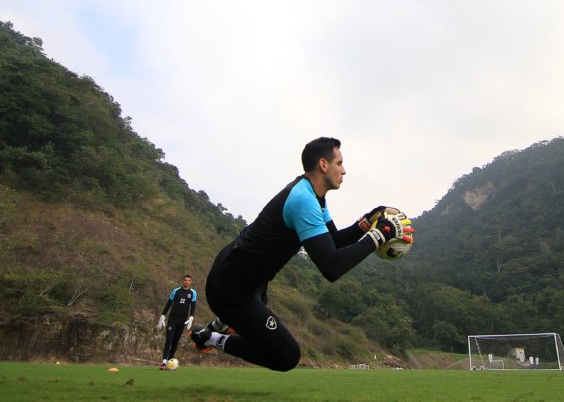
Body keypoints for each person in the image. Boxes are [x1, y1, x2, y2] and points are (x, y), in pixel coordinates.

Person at [190, 137, 413, 371]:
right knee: (285, 357)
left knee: (262, 336)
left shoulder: (314, 196)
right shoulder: (304, 200)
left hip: (246, 279)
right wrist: (379, 234)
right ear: (323, 165)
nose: (344, 170)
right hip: (231, 290)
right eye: (340, 163)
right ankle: (210, 338)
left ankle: (221, 323)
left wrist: (368, 221)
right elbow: (332, 267)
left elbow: (334, 242)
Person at [156, 274, 197, 370]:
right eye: (185, 280)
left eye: (188, 280)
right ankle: (164, 362)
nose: (187, 282)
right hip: (172, 319)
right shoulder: (176, 291)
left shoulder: (193, 293)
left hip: (182, 321)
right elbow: (168, 304)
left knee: (175, 342)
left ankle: (170, 361)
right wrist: (162, 316)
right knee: (169, 339)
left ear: (191, 282)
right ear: (183, 281)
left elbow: (193, 306)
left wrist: (191, 317)